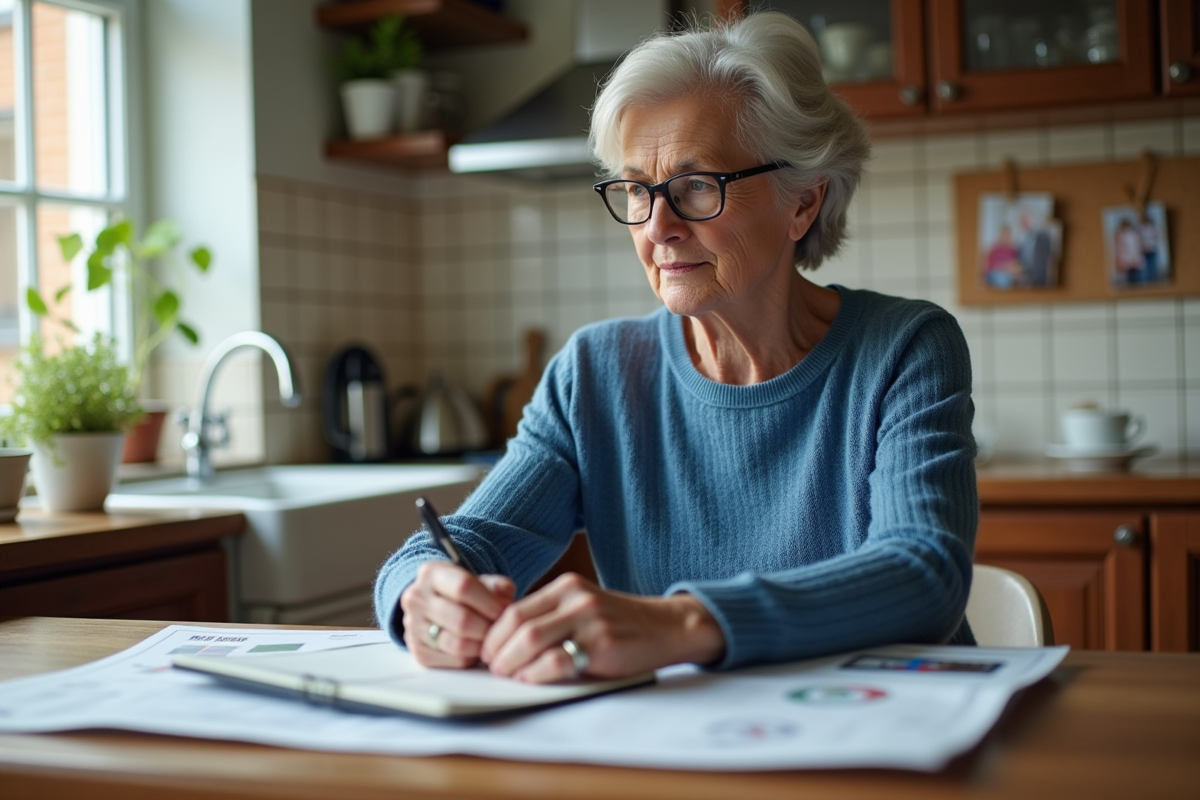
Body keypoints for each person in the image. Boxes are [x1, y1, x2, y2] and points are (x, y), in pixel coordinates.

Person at [374, 11, 978, 684]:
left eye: (696, 186)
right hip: (692, 746)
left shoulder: (904, 348)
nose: (657, 227)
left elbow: (924, 572)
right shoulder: (594, 375)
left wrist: (682, 623)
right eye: (637, 189)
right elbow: (477, 541)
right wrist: (419, 596)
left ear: (803, 202)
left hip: (885, 735)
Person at [1113, 218, 1143, 284]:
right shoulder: (1119, 236)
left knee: (1137, 277)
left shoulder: (1134, 234)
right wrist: (1119, 259)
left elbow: (1137, 247)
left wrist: (1137, 257)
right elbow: (1118, 249)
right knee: (1127, 278)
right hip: (1124, 259)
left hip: (1134, 258)